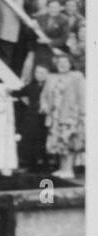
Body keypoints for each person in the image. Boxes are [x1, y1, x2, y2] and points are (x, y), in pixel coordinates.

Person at [40, 51, 85, 179]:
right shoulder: (51, 77)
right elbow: (44, 95)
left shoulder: (77, 77)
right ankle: (62, 168)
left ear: (70, 64)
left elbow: (82, 96)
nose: (62, 65)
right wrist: (44, 105)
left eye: (65, 63)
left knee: (68, 141)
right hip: (55, 116)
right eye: (60, 63)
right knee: (58, 142)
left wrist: (82, 113)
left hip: (70, 115)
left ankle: (68, 169)